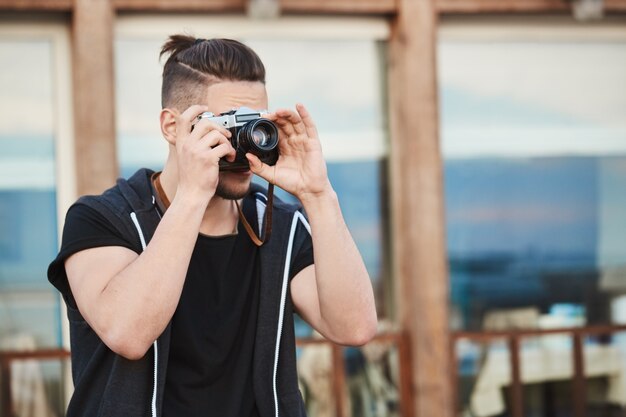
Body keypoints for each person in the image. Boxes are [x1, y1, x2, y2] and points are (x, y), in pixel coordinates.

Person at [48, 35, 377, 417]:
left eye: (255, 125)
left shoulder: (280, 227)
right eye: (227, 126)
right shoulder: (102, 219)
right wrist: (192, 195)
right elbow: (128, 333)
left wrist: (318, 194)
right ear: (172, 127)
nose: (244, 145)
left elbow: (354, 328)